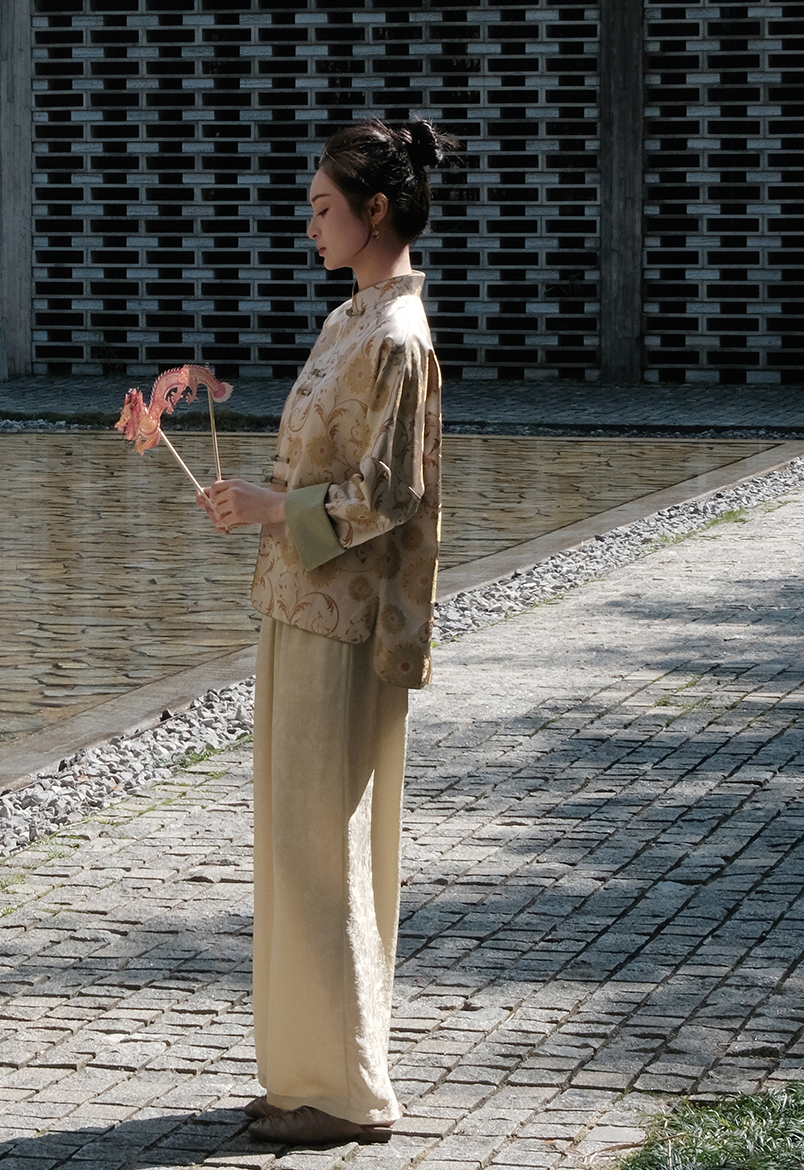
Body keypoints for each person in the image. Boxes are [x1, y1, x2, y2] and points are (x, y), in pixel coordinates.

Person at [199, 116, 450, 1148]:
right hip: (298, 604)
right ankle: (307, 1071)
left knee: (323, 847)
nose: (310, 224)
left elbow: (389, 494)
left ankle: (348, 1090)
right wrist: (258, 507)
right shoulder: (352, 317)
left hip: (343, 620)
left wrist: (273, 509)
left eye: (322, 207)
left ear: (374, 210)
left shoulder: (395, 336)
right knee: (294, 842)